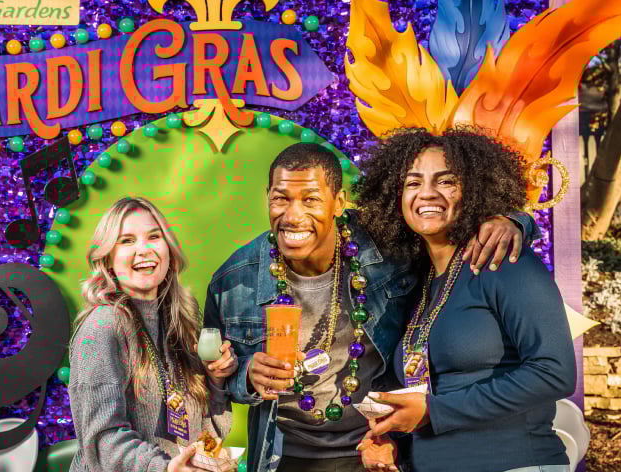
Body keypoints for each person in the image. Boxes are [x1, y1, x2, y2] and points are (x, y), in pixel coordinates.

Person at [202, 143, 538, 472]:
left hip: (379, 448)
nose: (293, 216)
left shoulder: (386, 246)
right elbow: (214, 385)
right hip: (280, 454)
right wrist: (246, 377)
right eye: (280, 199)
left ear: (339, 202)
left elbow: (446, 219)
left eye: (311, 200)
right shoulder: (232, 282)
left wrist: (512, 221)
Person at [355, 128, 576, 472]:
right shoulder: (417, 284)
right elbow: (431, 389)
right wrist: (391, 439)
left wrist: (433, 411)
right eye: (412, 183)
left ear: (474, 190)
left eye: (446, 182)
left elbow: (554, 372)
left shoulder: (504, 263)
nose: (427, 194)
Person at [69, 197, 239, 472]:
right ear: (108, 259)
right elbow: (102, 440)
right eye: (126, 241)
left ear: (169, 251)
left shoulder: (179, 321)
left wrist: (216, 381)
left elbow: (206, 435)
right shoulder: (102, 328)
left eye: (153, 237)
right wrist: (163, 468)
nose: (143, 250)